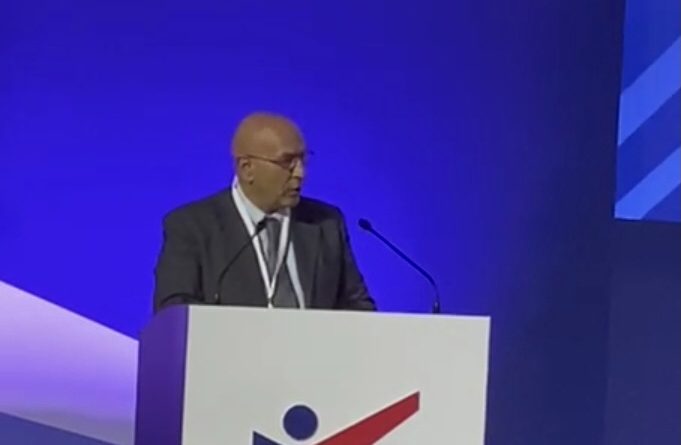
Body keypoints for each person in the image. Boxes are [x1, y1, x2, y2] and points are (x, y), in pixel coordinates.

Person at [153, 112, 376, 313]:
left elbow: (357, 307)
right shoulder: (192, 226)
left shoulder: (325, 223)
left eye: (303, 161)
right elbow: (174, 309)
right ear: (247, 169)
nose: (300, 173)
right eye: (287, 162)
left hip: (314, 347)